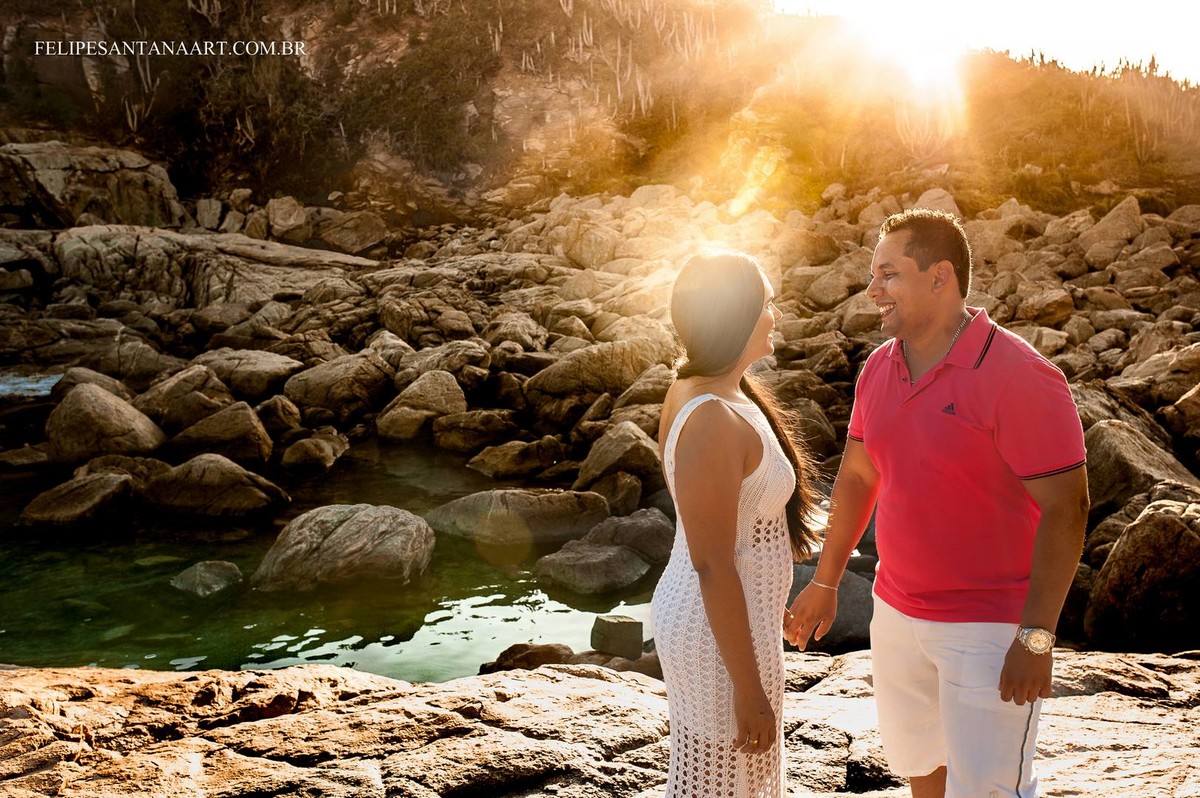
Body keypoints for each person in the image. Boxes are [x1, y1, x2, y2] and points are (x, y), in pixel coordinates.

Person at [784, 208, 1089, 798]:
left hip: (987, 627)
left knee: (989, 790)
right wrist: (825, 580)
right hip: (896, 614)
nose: (872, 291)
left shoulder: (1020, 375)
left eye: (888, 274)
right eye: (873, 276)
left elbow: (1067, 508)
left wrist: (1036, 637)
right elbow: (858, 476)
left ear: (939, 276)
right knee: (920, 771)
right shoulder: (879, 368)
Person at [652, 250, 820, 797]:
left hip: (734, 619)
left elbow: (742, 529)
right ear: (735, 316)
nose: (775, 314)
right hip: (712, 631)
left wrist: (776, 604)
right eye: (767, 303)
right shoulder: (709, 417)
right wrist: (748, 690)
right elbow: (712, 564)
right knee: (721, 782)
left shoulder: (719, 390)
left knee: (733, 779)